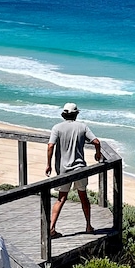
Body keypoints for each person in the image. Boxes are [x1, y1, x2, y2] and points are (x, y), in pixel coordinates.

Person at [45, 102, 102, 238]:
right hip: (80, 168)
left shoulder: (57, 128)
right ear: (76, 114)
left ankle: (51, 228)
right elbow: (97, 142)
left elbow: (50, 146)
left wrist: (48, 164)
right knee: (83, 197)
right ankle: (88, 226)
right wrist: (98, 154)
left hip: (63, 169)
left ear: (64, 114)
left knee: (61, 198)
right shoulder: (82, 127)